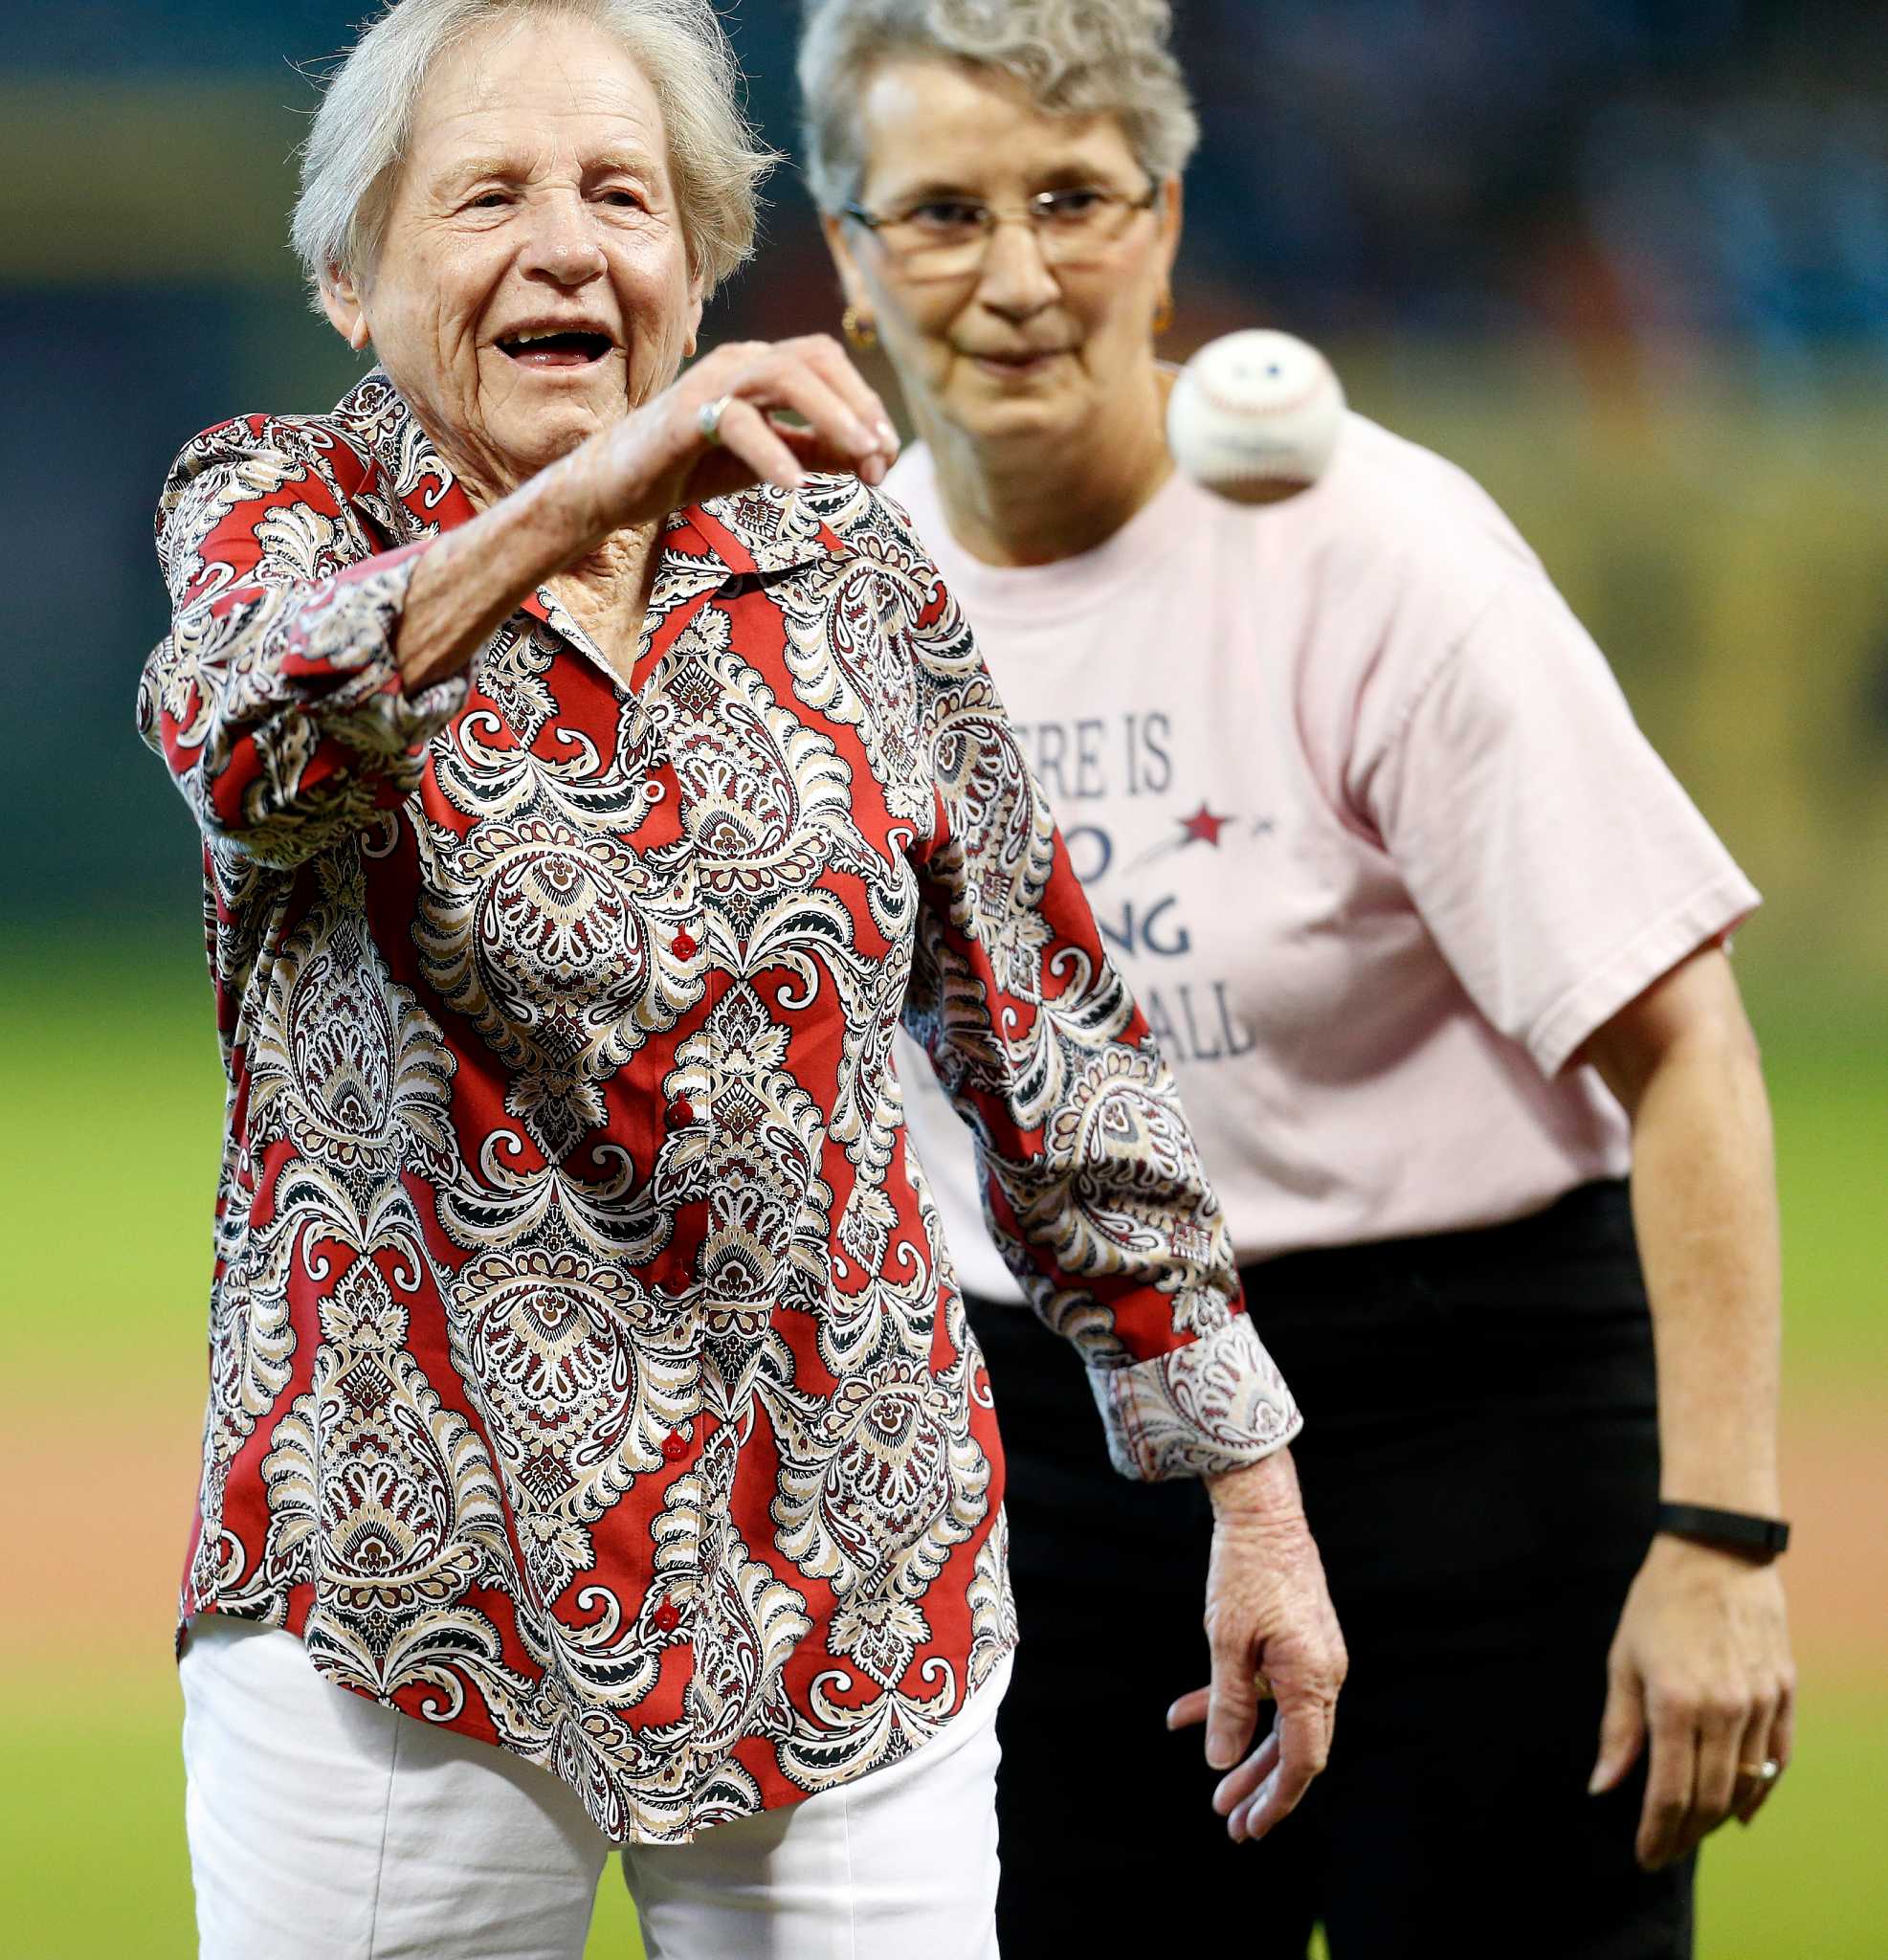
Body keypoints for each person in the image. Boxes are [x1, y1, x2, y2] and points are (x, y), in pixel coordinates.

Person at [137, 2, 1346, 1954]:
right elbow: (246, 742)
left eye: (624, 195)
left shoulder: (848, 572)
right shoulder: (273, 507)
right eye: (490, 196)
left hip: (846, 1583)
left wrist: (1252, 1493)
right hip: (409, 1593)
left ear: (698, 268)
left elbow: (1052, 1045)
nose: (566, 243)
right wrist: (596, 493)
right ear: (352, 281)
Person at [796, 2, 1796, 1954]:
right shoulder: (826, 606)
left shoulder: (1381, 558)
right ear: (842, 253)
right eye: (937, 211)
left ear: (1166, 225)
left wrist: (1722, 1541)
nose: (1015, 277)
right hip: (1054, 1446)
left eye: (1074, 198)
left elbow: (1686, 1051)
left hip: (1473, 1418)